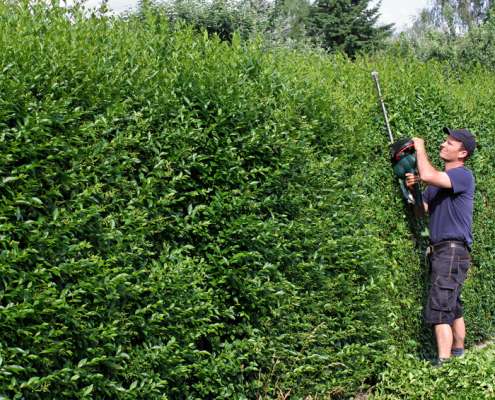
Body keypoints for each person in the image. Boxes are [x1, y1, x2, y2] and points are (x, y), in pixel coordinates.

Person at [405, 127, 476, 367]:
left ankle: (443, 366)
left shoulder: (463, 176)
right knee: (452, 305)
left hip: (452, 251)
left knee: (440, 306)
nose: (443, 145)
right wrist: (412, 189)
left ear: (462, 153)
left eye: (450, 143)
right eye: (445, 141)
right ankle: (458, 358)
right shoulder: (437, 183)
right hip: (444, 253)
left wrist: (420, 147)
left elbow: (427, 175)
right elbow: (419, 212)